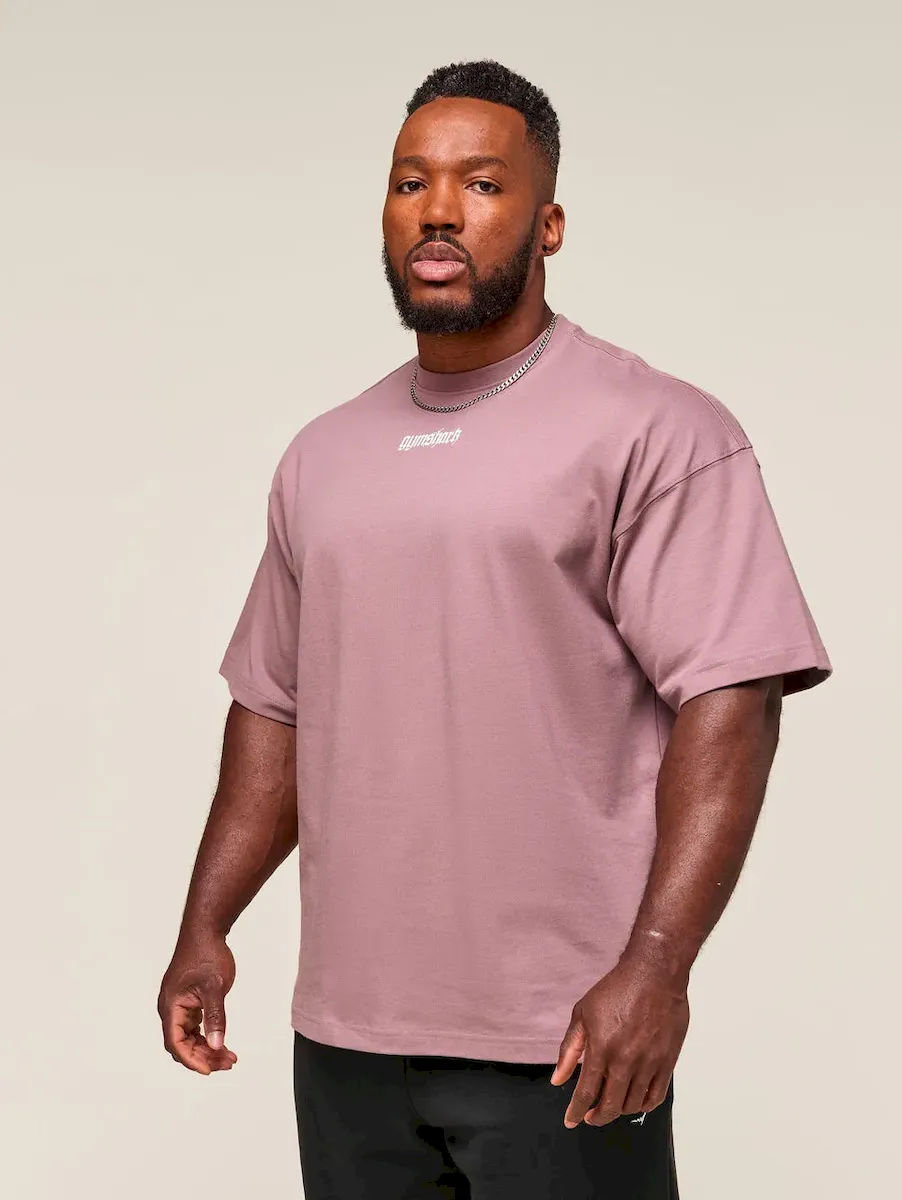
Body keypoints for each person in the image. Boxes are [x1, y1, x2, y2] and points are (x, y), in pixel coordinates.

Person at [157, 59, 832, 1199]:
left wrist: (656, 967)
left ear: (547, 223)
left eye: (480, 184)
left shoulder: (657, 429)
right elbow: (274, 708)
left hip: (566, 1038)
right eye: (409, 182)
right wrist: (205, 925)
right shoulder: (323, 456)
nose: (438, 210)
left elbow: (731, 701)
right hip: (347, 1041)